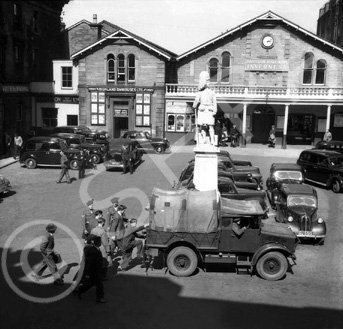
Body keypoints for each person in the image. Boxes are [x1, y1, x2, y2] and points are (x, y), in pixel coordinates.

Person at [73, 235, 106, 303]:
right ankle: (99, 298)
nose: (101, 243)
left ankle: (79, 291)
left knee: (90, 284)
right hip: (95, 271)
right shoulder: (94, 251)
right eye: (100, 242)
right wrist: (88, 273)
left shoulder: (94, 249)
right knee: (99, 284)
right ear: (98, 243)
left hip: (94, 271)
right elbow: (91, 264)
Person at [192, 71, 217, 145]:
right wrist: (214, 110)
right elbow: (215, 104)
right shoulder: (211, 92)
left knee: (206, 126)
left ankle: (209, 139)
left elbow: (195, 102)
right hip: (206, 109)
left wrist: (194, 105)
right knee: (208, 126)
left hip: (205, 109)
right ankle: (209, 140)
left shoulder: (202, 93)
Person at [90, 215, 110, 280]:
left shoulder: (93, 230)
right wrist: (108, 250)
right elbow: (105, 242)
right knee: (104, 263)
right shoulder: (102, 231)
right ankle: (102, 277)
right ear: (102, 223)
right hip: (101, 248)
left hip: (93, 247)